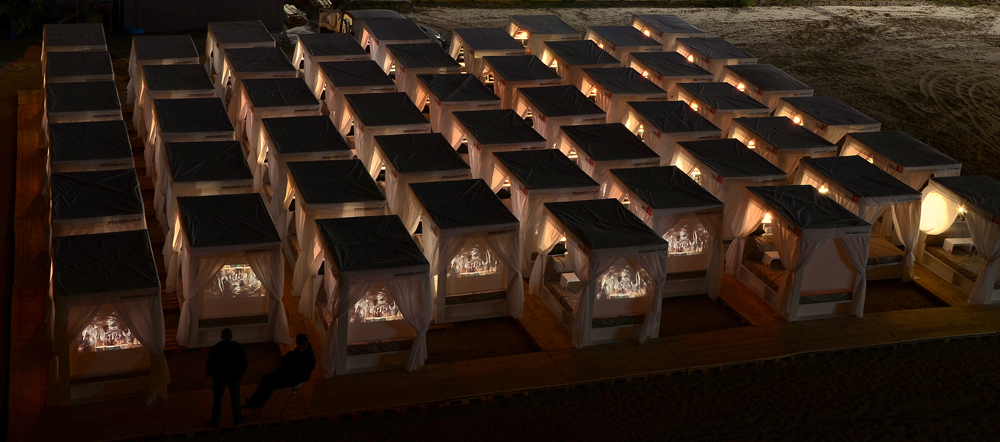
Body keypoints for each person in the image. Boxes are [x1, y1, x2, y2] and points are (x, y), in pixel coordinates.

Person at [243, 334, 316, 410]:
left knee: (271, 386)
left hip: (292, 378)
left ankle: (258, 405)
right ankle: (252, 402)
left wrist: (290, 374)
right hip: (284, 371)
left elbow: (305, 375)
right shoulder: (300, 349)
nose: (296, 344)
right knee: (265, 379)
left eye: (297, 342)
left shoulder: (309, 357)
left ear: (300, 343)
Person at [205, 328, 248, 428]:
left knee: (217, 400)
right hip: (234, 375)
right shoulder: (238, 347)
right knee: (235, 398)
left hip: (219, 375)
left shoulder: (215, 348)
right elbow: (244, 362)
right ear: (231, 336)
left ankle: (215, 422)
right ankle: (238, 419)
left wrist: (210, 373)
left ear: (221, 337)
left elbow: (210, 363)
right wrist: (241, 371)